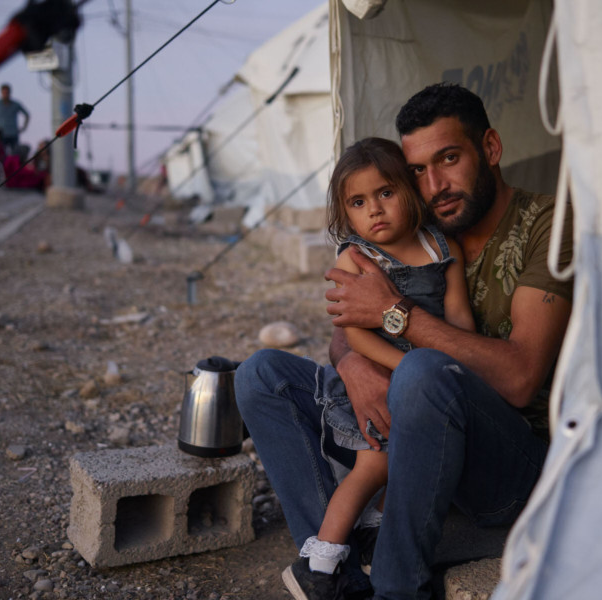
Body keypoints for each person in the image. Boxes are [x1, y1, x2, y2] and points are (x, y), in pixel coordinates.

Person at [236, 82, 574, 600]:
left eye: (450, 158)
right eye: (417, 170)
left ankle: (397, 586)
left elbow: (520, 378)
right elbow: (347, 330)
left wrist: (395, 314)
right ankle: (334, 568)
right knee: (262, 374)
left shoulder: (547, 225)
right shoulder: (418, 224)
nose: (435, 183)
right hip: (409, 424)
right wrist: (355, 368)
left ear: (490, 149)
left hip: (509, 464)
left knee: (420, 373)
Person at [239, 137, 475, 600]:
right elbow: (357, 336)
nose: (375, 210)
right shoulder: (357, 259)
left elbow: (460, 318)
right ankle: (321, 563)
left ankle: (366, 542)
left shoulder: (443, 249)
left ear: (410, 188)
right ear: (345, 213)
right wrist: (409, 369)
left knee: (390, 465)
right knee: (374, 465)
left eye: (385, 193)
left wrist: (459, 364)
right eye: (359, 202)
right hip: (375, 379)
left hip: (427, 384)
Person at [0, 84, 29, 156]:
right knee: (1, 154)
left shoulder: (15, 104)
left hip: (13, 134)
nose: (5, 95)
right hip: (2, 134)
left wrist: (24, 127)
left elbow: (26, 114)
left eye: (7, 93)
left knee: (15, 154)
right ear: (1, 93)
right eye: (4, 93)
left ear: (9, 93)